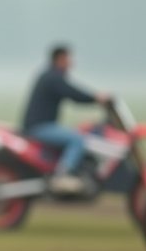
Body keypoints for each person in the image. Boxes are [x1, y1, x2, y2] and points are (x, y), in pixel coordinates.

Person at [19, 44, 110, 194]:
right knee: (78, 139)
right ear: (60, 59)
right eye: (69, 58)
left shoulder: (49, 75)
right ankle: (62, 176)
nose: (72, 62)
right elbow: (73, 93)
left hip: (39, 124)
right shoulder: (54, 77)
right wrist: (96, 98)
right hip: (39, 126)